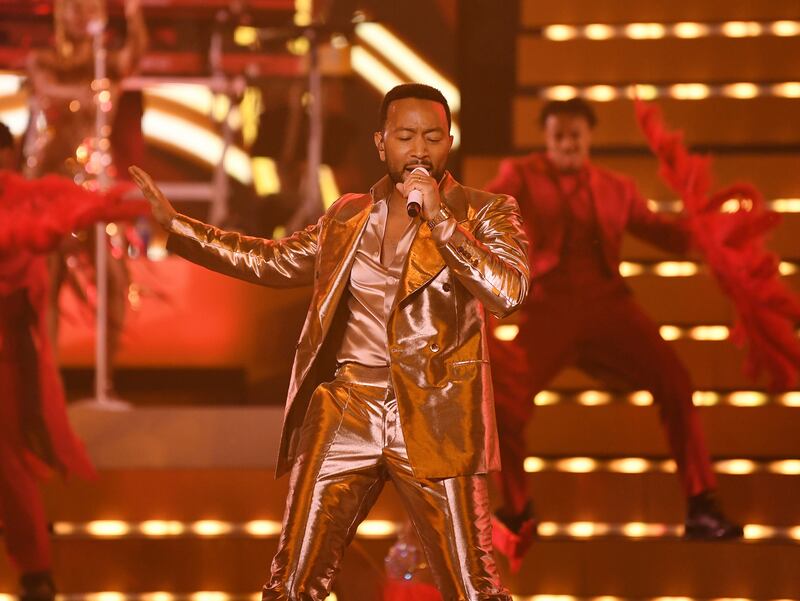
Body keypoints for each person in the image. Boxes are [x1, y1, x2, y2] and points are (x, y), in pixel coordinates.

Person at [130, 83, 529, 601]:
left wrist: (443, 224)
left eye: (432, 137)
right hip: (347, 409)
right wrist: (181, 229)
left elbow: (510, 292)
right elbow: (273, 259)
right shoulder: (346, 215)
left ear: (449, 141)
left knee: (475, 588)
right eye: (406, 136)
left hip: (437, 417)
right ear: (381, 143)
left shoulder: (484, 212)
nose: (419, 151)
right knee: (293, 583)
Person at [484, 97, 743, 568]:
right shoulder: (519, 176)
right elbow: (482, 212)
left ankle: (702, 504)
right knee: (503, 402)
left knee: (676, 380)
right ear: (547, 138)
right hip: (548, 308)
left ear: (588, 139)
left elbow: (666, 234)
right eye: (559, 134)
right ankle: (518, 509)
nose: (567, 142)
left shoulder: (616, 188)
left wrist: (710, 231)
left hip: (609, 308)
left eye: (575, 135)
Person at [0, 122, 96, 601]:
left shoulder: (29, 206)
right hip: (17, 347)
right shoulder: (27, 206)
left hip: (14, 349)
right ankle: (34, 563)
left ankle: (35, 563)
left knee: (13, 458)